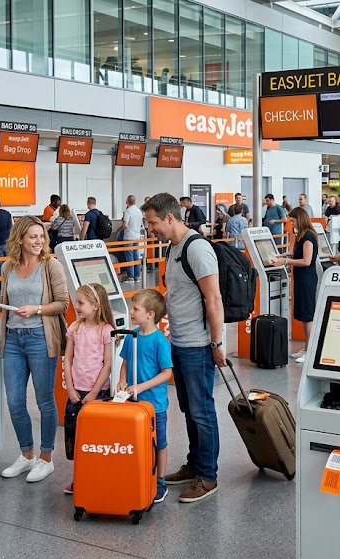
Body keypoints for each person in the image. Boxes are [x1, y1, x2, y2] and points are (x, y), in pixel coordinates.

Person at [0, 216, 69, 482]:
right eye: (33, 236)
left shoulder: (50, 265)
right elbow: (4, 303)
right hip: (13, 340)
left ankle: (46, 458)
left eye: (41, 236)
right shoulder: (8, 266)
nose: (38, 241)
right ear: (20, 239)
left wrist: (37, 309)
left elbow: (63, 303)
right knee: (15, 401)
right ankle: (27, 454)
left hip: (40, 338)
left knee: (44, 401)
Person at [141, 193, 224, 504]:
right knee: (189, 409)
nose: (150, 229)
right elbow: (174, 293)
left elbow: (213, 299)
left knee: (202, 411)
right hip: (178, 341)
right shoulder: (172, 247)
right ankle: (194, 464)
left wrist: (216, 343)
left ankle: (208, 476)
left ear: (170, 218)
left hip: (198, 345)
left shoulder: (197, 249)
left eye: (152, 223)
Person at [118, 288, 174, 503]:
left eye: (135, 309)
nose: (131, 312)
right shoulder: (131, 337)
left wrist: (140, 387)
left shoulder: (160, 342)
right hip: (133, 402)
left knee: (159, 442)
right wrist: (122, 380)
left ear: (150, 314)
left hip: (155, 404)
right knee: (135, 440)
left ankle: (160, 481)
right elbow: (124, 363)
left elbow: (166, 373)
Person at [61, 283, 115, 496]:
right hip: (76, 393)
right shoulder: (74, 327)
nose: (77, 306)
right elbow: (67, 359)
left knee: (97, 440)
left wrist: (93, 393)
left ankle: (98, 476)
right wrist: (70, 388)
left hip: (98, 394)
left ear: (95, 306)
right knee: (76, 439)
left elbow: (108, 364)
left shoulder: (106, 330)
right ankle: (80, 478)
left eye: (81, 303)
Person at [272, 208, 318, 363]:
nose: (291, 224)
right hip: (301, 278)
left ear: (300, 219)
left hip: (307, 279)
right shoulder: (301, 236)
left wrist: (285, 261)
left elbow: (306, 261)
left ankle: (309, 351)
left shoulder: (308, 236)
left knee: (308, 315)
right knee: (304, 315)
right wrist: (281, 255)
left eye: (293, 221)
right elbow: (295, 254)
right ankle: (306, 348)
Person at [119, 195, 143, 282]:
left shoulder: (127, 211)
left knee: (129, 257)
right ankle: (137, 276)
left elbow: (125, 225)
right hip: (137, 236)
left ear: (127, 202)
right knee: (136, 255)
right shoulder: (139, 211)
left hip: (129, 237)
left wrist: (119, 229)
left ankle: (130, 277)